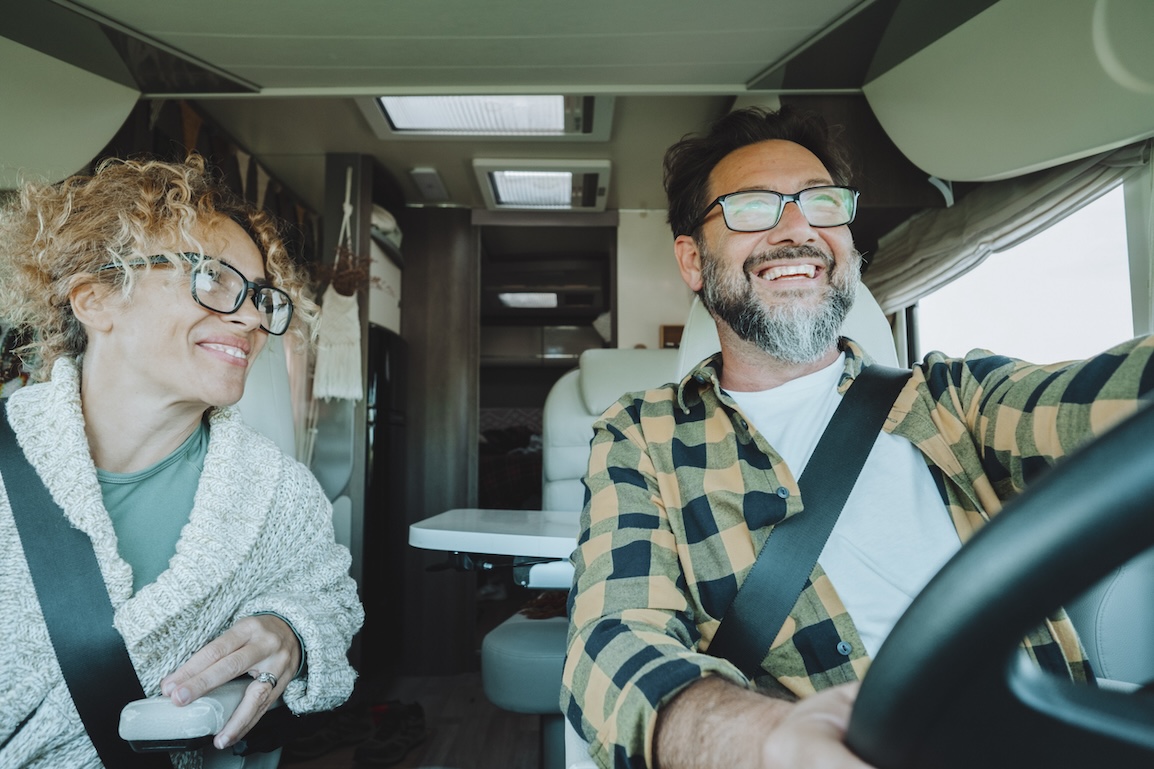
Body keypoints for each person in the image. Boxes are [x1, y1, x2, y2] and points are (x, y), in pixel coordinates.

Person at [560, 105, 1154, 769]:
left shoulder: (954, 398)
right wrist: (768, 741)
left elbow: (1110, 398)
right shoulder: (643, 435)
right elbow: (613, 645)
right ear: (693, 260)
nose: (798, 228)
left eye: (822, 204)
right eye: (754, 207)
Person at [0, 155, 364, 767]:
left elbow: (327, 601)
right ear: (94, 298)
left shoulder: (279, 495)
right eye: (215, 280)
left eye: (258, 297)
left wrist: (290, 632)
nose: (251, 318)